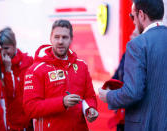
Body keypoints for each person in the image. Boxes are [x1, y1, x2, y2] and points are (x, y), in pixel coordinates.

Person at [99, 0, 167, 130]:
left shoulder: (137, 44)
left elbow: (133, 92)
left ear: (141, 14)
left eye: (132, 16)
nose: (133, 21)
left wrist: (108, 96)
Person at [23, 19, 98, 131]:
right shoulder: (36, 69)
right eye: (57, 37)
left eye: (65, 37)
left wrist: (90, 109)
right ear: (51, 39)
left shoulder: (82, 66)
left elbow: (89, 96)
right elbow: (30, 108)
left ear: (71, 39)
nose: (60, 41)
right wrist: (62, 102)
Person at [0, 27, 33, 131]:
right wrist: (7, 69)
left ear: (14, 45)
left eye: (6, 48)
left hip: (27, 122)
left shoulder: (29, 62)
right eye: (0, 48)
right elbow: (10, 94)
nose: (3, 52)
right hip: (8, 123)